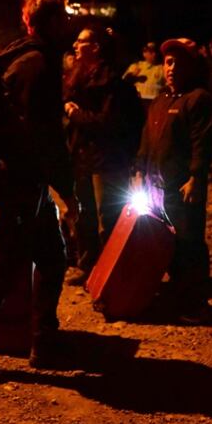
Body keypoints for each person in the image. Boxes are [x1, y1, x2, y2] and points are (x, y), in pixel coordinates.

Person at [0, 0, 80, 381]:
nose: (69, 24)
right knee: (5, 264)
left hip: (26, 180)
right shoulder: (38, 65)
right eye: (64, 17)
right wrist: (68, 190)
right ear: (50, 22)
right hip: (20, 181)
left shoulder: (22, 57)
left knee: (52, 257)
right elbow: (43, 135)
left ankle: (43, 340)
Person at [134, 38, 212, 322]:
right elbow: (147, 139)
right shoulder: (160, 101)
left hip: (181, 188)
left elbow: (201, 143)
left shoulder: (198, 99)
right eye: (169, 62)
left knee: (189, 244)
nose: (172, 67)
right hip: (156, 187)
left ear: (192, 66)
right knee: (164, 243)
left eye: (180, 62)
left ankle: (196, 304)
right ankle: (175, 297)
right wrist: (139, 170)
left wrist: (196, 176)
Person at [63, 25, 144, 285]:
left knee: (107, 217)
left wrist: (75, 115)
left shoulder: (112, 84)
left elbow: (106, 123)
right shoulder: (79, 80)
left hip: (105, 161)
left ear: (96, 48)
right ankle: (88, 265)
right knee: (83, 214)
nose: (75, 45)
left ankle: (112, 270)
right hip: (82, 158)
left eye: (81, 41)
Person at [124, 41, 166, 105]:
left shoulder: (163, 69)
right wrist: (132, 76)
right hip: (137, 103)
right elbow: (124, 83)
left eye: (155, 52)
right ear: (144, 53)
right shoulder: (137, 66)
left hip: (155, 103)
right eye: (151, 52)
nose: (154, 54)